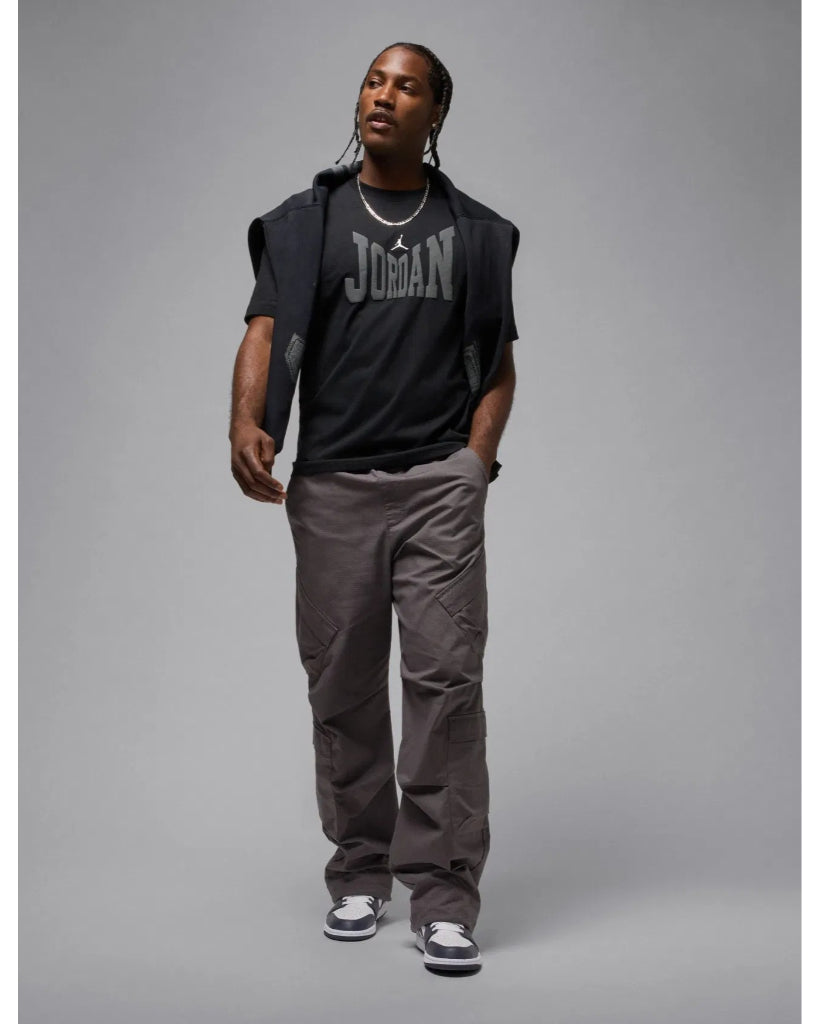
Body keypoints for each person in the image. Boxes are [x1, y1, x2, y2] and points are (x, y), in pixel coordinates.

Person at [229, 41, 520, 973]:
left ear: (435, 114)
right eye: (372, 80)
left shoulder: (477, 234)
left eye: (406, 86)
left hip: (438, 486)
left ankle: (444, 895)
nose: (383, 96)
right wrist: (247, 420)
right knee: (342, 686)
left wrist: (474, 465)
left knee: (446, 684)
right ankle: (360, 870)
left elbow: (499, 364)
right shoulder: (306, 224)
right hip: (333, 489)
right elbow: (264, 328)